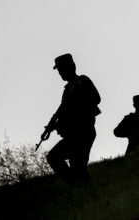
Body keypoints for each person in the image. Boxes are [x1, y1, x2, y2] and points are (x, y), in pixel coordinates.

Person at [40, 53, 101, 183]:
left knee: (77, 166)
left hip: (83, 132)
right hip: (73, 135)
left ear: (72, 66)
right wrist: (53, 126)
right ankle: (78, 186)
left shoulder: (82, 81)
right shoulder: (67, 89)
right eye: (59, 70)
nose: (61, 73)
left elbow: (96, 99)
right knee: (57, 159)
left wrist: (78, 100)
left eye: (62, 69)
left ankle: (80, 188)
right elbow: (65, 114)